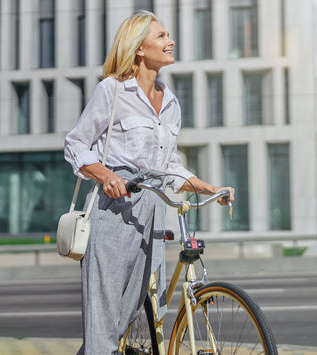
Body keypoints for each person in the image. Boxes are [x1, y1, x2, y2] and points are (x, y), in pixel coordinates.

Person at [64, 10, 235, 355]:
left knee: (127, 313)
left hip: (154, 211)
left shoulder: (171, 103)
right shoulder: (112, 91)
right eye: (161, 36)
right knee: (104, 323)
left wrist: (209, 188)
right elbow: (76, 143)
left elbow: (168, 166)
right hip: (115, 210)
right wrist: (106, 175)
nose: (170, 41)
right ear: (139, 48)